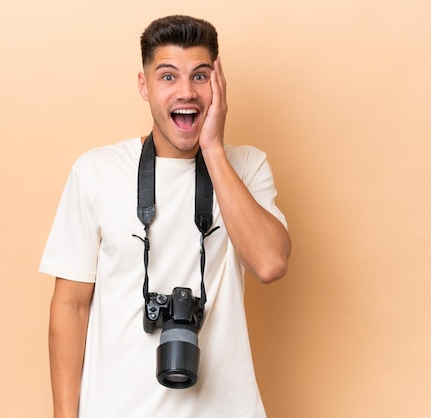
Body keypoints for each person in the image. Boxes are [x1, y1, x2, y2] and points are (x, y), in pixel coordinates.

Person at [39, 15, 291, 418]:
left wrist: (212, 150)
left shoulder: (247, 166)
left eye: (201, 76)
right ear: (144, 86)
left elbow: (270, 263)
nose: (186, 92)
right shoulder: (97, 171)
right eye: (168, 76)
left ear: (219, 86)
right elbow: (70, 306)